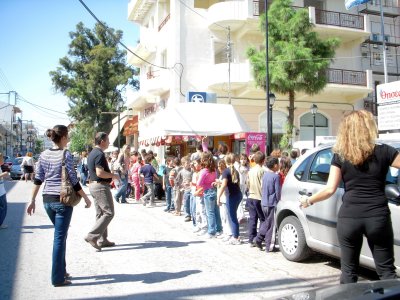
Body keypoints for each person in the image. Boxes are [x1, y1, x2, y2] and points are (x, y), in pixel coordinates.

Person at [299, 110, 400, 284]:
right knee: (387, 272)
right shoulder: (385, 152)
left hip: (349, 218)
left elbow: (330, 189)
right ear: (369, 128)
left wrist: (308, 200)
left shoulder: (340, 156)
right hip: (378, 217)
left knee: (348, 272)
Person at [26, 125, 92, 287]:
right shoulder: (66, 154)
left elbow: (38, 179)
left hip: (47, 200)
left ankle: (61, 270)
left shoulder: (43, 154)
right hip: (63, 200)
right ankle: (57, 278)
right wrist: (85, 198)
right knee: (59, 238)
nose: (68, 139)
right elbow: (73, 179)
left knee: (60, 236)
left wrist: (32, 200)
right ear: (62, 137)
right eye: (67, 136)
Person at [85, 132, 119, 251]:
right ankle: (92, 236)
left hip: (94, 185)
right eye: (108, 140)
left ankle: (102, 240)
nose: (109, 142)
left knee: (100, 214)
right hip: (100, 186)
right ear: (102, 141)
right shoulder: (99, 154)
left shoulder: (93, 153)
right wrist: (113, 175)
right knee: (109, 213)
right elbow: (100, 173)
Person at [254, 156, 281, 252]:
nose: (279, 165)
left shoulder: (265, 175)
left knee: (266, 223)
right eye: (278, 164)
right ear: (275, 165)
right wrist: (279, 201)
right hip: (271, 203)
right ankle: (270, 246)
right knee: (272, 226)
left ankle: (258, 239)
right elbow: (278, 192)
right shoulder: (276, 176)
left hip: (264, 202)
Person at [197, 151, 222, 238]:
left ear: (203, 160)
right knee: (216, 211)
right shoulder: (214, 169)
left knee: (209, 212)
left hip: (207, 191)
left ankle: (211, 231)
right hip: (214, 190)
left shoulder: (204, 171)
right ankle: (219, 229)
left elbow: (199, 183)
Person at [247, 151, 265, 248]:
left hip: (251, 196)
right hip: (259, 197)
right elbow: (263, 185)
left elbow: (248, 183)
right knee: (262, 219)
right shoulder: (261, 171)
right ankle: (259, 238)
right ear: (263, 160)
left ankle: (251, 239)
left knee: (252, 219)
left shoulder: (251, 170)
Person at [0, 153, 10, 230]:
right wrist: (4, 174)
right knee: (3, 208)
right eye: (2, 158)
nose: (3, 160)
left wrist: (5, 176)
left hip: (1, 191)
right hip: (0, 193)